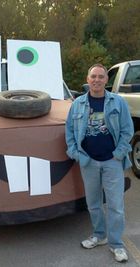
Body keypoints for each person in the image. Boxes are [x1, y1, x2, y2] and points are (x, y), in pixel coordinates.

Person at [65, 63, 134, 263]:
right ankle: (99, 235)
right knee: (93, 204)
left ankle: (116, 244)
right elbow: (69, 132)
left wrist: (119, 153)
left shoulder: (117, 102)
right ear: (87, 80)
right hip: (88, 162)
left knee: (116, 206)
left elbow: (127, 130)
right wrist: (77, 154)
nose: (96, 80)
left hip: (112, 161)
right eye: (93, 76)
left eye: (100, 76)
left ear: (106, 80)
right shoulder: (77, 104)